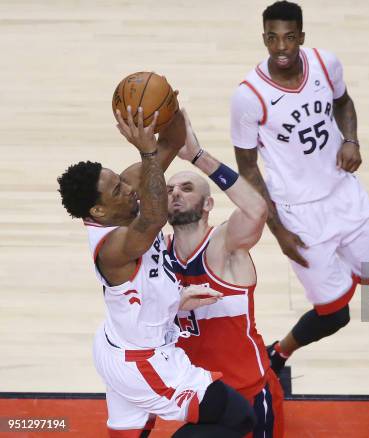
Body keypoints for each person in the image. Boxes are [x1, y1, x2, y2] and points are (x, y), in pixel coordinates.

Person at [230, 0, 369, 416]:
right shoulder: (248, 97)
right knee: (334, 316)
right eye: (273, 37)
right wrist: (277, 230)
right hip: (299, 214)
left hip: (345, 194)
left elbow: (343, 104)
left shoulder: (325, 64)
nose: (281, 46)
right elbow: (247, 170)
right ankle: (278, 355)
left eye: (290, 36)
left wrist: (352, 140)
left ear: (301, 37)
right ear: (264, 39)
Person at [57, 106, 256, 437]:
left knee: (128, 433)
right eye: (118, 189)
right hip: (143, 360)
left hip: (118, 341)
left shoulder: (118, 203)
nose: (128, 187)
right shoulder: (112, 247)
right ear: (98, 210)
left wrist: (165, 107)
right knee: (239, 418)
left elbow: (172, 141)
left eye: (122, 180)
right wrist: (147, 150)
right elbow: (153, 216)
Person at [166, 111, 284, 437]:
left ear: (207, 205)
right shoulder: (157, 253)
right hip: (201, 395)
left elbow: (257, 209)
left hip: (248, 393)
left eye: (186, 188)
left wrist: (197, 157)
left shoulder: (225, 245)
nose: (175, 192)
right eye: (169, 189)